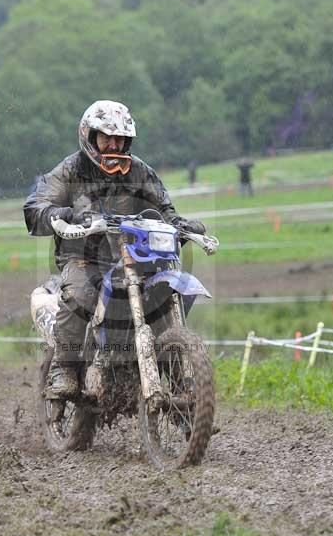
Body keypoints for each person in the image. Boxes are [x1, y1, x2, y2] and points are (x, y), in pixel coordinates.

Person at [23, 100, 206, 397]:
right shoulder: (71, 170)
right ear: (90, 136)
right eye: (106, 137)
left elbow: (163, 207)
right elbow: (36, 205)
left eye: (119, 138)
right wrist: (60, 214)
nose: (113, 144)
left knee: (169, 291)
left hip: (136, 256)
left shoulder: (139, 171)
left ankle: (177, 375)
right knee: (81, 293)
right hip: (83, 256)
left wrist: (179, 224)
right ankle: (64, 366)